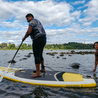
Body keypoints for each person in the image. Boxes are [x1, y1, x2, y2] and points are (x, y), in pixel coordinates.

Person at [22, 13, 46, 78]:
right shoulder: (37, 21)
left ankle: (38, 73)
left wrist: (24, 38)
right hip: (43, 39)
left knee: (36, 55)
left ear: (31, 17)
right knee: (40, 54)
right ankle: (43, 69)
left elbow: (29, 32)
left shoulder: (32, 22)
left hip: (37, 39)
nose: (27, 19)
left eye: (27, 18)